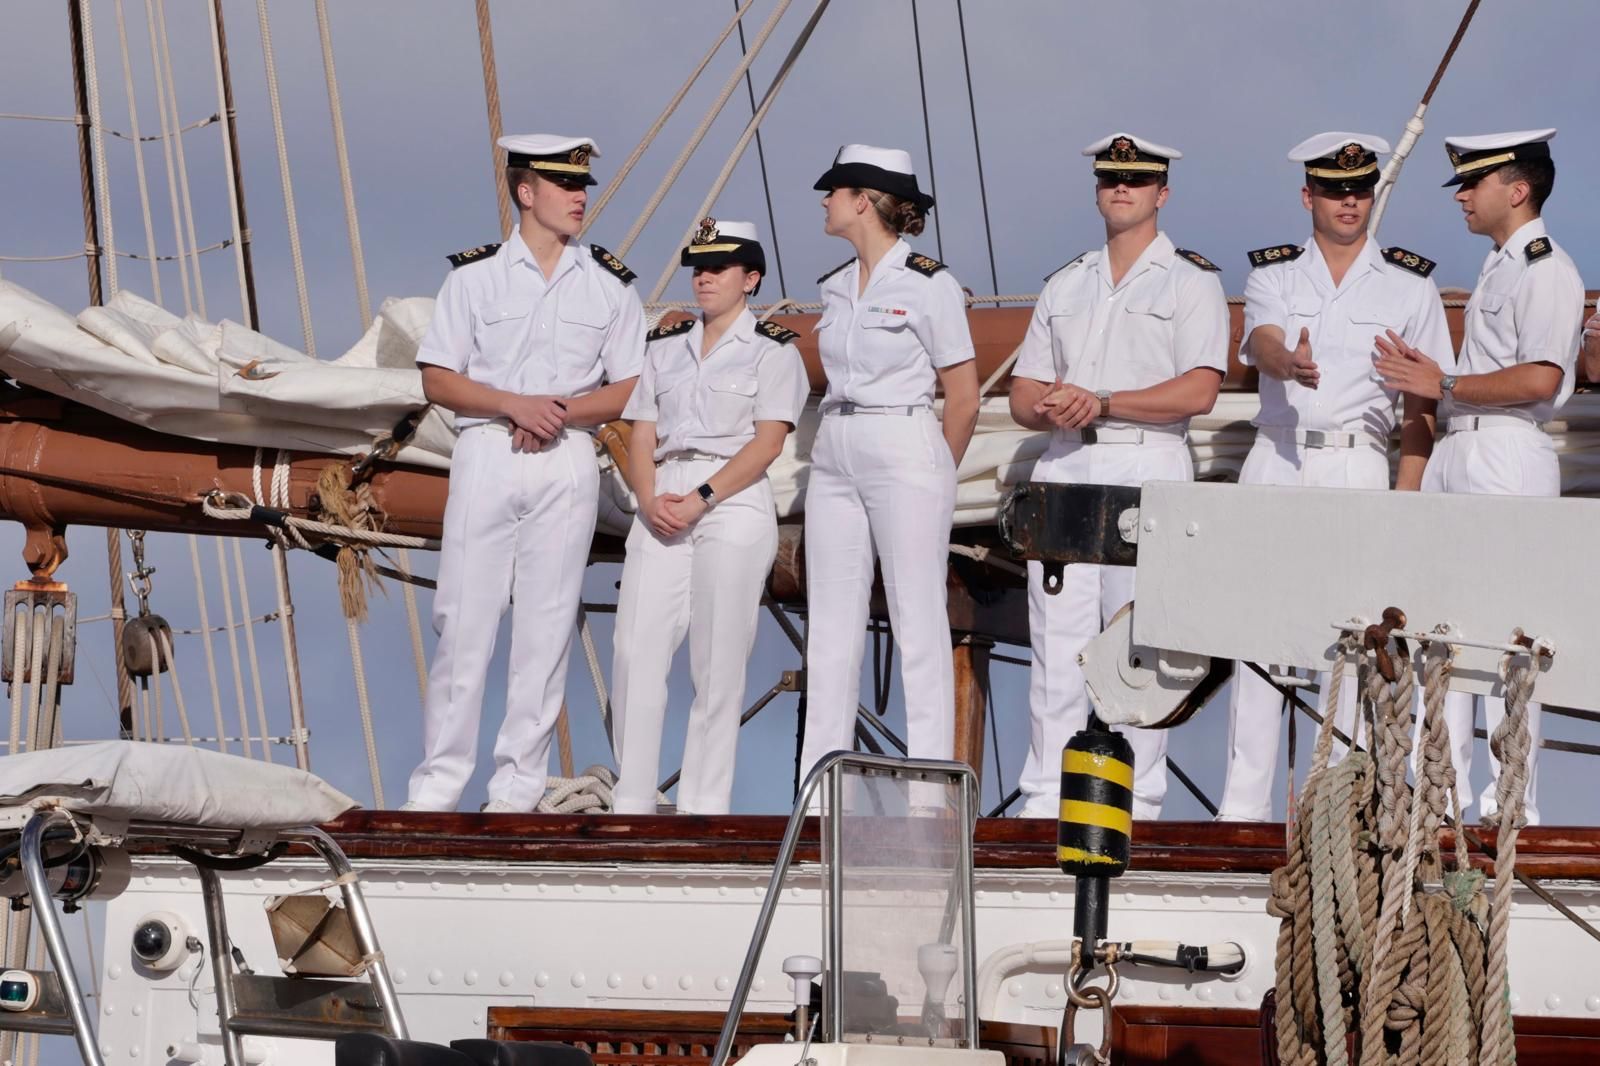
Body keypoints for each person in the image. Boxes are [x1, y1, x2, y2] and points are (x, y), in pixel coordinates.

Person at [1214, 133, 1452, 822]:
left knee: (1349, 646)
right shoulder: (1276, 275)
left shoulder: (1411, 286)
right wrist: (1285, 361)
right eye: (1332, 189)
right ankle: (1242, 811)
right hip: (1279, 455)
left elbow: (1423, 406)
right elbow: (1259, 338)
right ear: (1307, 197)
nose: (1348, 201)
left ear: (1371, 196)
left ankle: (1336, 813)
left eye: (1359, 190)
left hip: (1357, 462)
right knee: (1256, 633)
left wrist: (1406, 501)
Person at [403, 134, 644, 813]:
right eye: (565, 185)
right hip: (487, 450)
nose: (580, 197)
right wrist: (514, 403)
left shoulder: (610, 284)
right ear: (525, 191)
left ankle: (516, 788)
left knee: (546, 624)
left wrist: (557, 411)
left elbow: (630, 386)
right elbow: (438, 379)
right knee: (464, 621)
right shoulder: (473, 278)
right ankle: (438, 786)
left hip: (567, 458)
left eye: (584, 186)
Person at [1009, 133, 1228, 820]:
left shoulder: (1192, 281)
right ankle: (1047, 796)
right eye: (1110, 178)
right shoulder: (1066, 282)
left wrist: (1102, 401)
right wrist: (1052, 405)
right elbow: (1020, 393)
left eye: (1135, 179)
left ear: (1162, 192)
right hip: (1069, 460)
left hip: (1149, 459)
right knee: (1058, 644)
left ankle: (1143, 801)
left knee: (1143, 643)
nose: (1121, 189)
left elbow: (1199, 392)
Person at [1376, 129, 1585, 826]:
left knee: (1510, 634)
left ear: (1517, 190)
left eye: (1474, 183)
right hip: (1460, 453)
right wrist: (1432, 379)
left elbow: (1541, 377)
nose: (1462, 195)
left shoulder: (1545, 267)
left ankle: (1511, 802)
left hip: (1504, 453)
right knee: (1446, 627)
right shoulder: (1500, 265)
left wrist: (1445, 381)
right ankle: (1441, 794)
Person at [609, 219, 807, 815]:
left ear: (751, 278)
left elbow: (768, 442)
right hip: (662, 490)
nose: (704, 277)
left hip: (732, 495)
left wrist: (702, 497)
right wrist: (646, 497)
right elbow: (640, 433)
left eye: (718, 268)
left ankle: (702, 805)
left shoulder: (774, 350)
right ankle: (633, 799)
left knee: (717, 660)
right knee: (634, 648)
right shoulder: (663, 348)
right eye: (698, 266)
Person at [797, 145, 981, 782]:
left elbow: (963, 394)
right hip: (835, 449)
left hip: (905, 446)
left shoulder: (929, 285)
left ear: (862, 201)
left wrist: (936, 474)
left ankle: (931, 784)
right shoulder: (834, 286)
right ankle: (817, 787)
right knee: (830, 625)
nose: (824, 201)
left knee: (917, 619)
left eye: (834, 191)